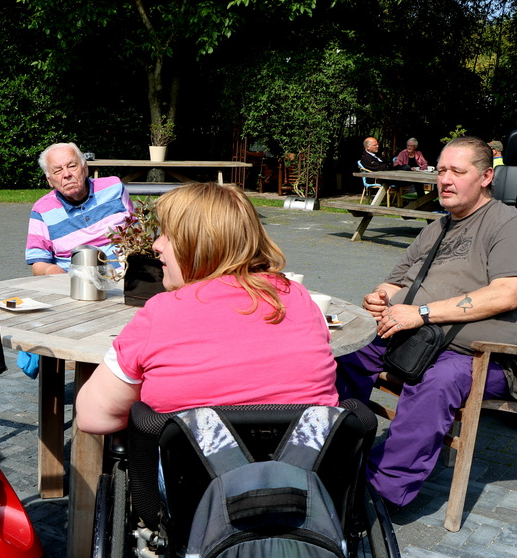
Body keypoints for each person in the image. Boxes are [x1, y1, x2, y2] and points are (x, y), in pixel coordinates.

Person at [334, 136, 517, 507]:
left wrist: (420, 312)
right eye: (441, 171)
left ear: (486, 177)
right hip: (418, 338)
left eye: (457, 171)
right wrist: (380, 298)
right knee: (345, 351)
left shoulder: (509, 225)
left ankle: (379, 494)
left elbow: (504, 294)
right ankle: (335, 450)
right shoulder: (437, 228)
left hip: (486, 357)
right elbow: (395, 282)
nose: (445, 180)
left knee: (436, 381)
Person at [76, 182, 338, 434]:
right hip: (306, 459)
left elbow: (93, 417)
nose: (156, 245)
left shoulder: (161, 313)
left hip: (194, 465)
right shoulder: (298, 298)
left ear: (198, 245)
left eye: (168, 236)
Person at [25, 142, 133, 275]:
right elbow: (38, 263)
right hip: (76, 283)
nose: (66, 174)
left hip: (125, 277)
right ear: (49, 180)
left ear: (85, 168)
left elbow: (137, 232)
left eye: (72, 166)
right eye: (57, 171)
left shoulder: (114, 188)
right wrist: (53, 271)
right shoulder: (42, 210)